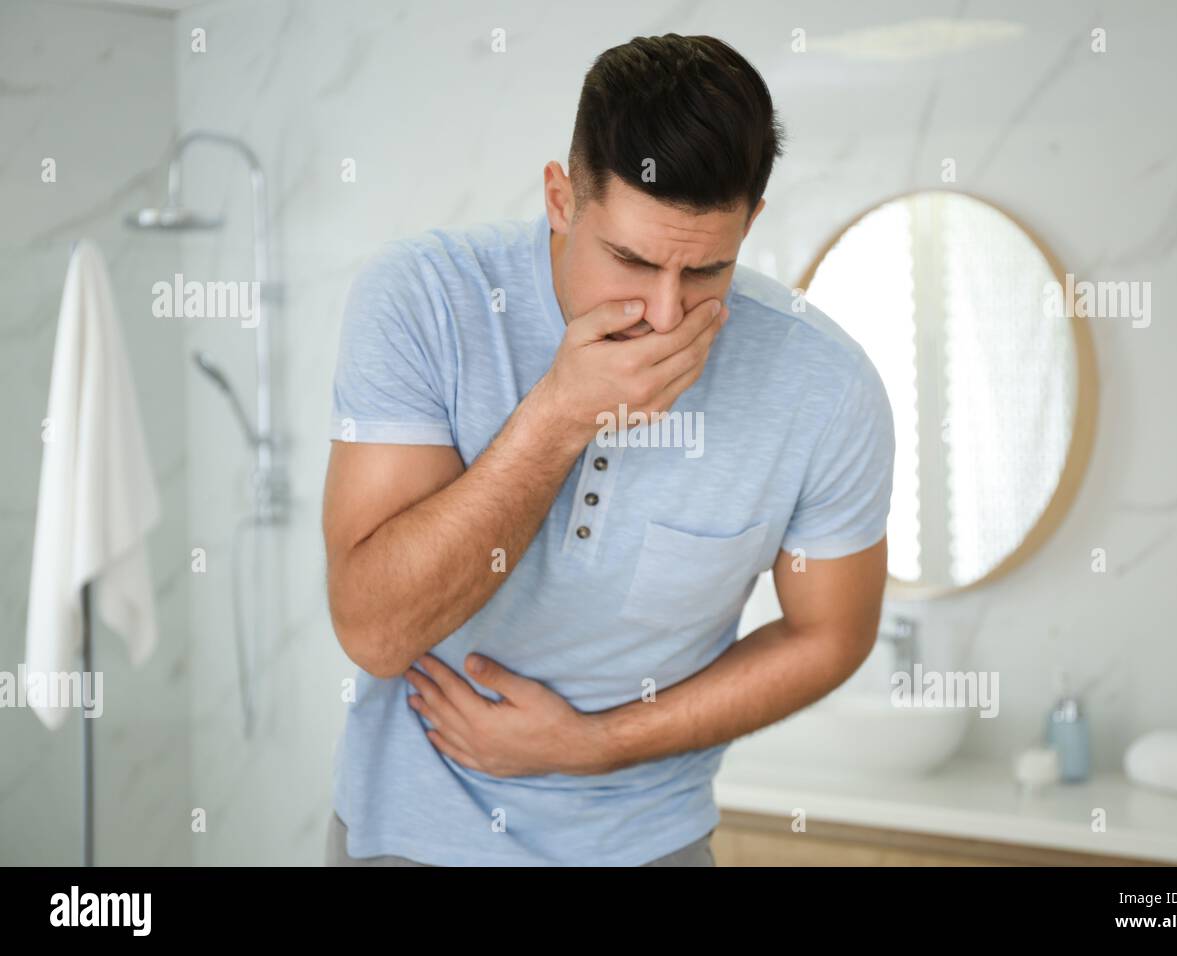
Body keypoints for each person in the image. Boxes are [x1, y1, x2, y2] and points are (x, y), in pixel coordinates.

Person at [321, 33, 894, 866]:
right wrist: (560, 414)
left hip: (649, 843)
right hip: (408, 839)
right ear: (561, 200)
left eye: (706, 270)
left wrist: (592, 746)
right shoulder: (422, 301)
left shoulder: (825, 386)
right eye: (630, 258)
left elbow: (830, 635)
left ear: (752, 226)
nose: (665, 313)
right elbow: (374, 629)